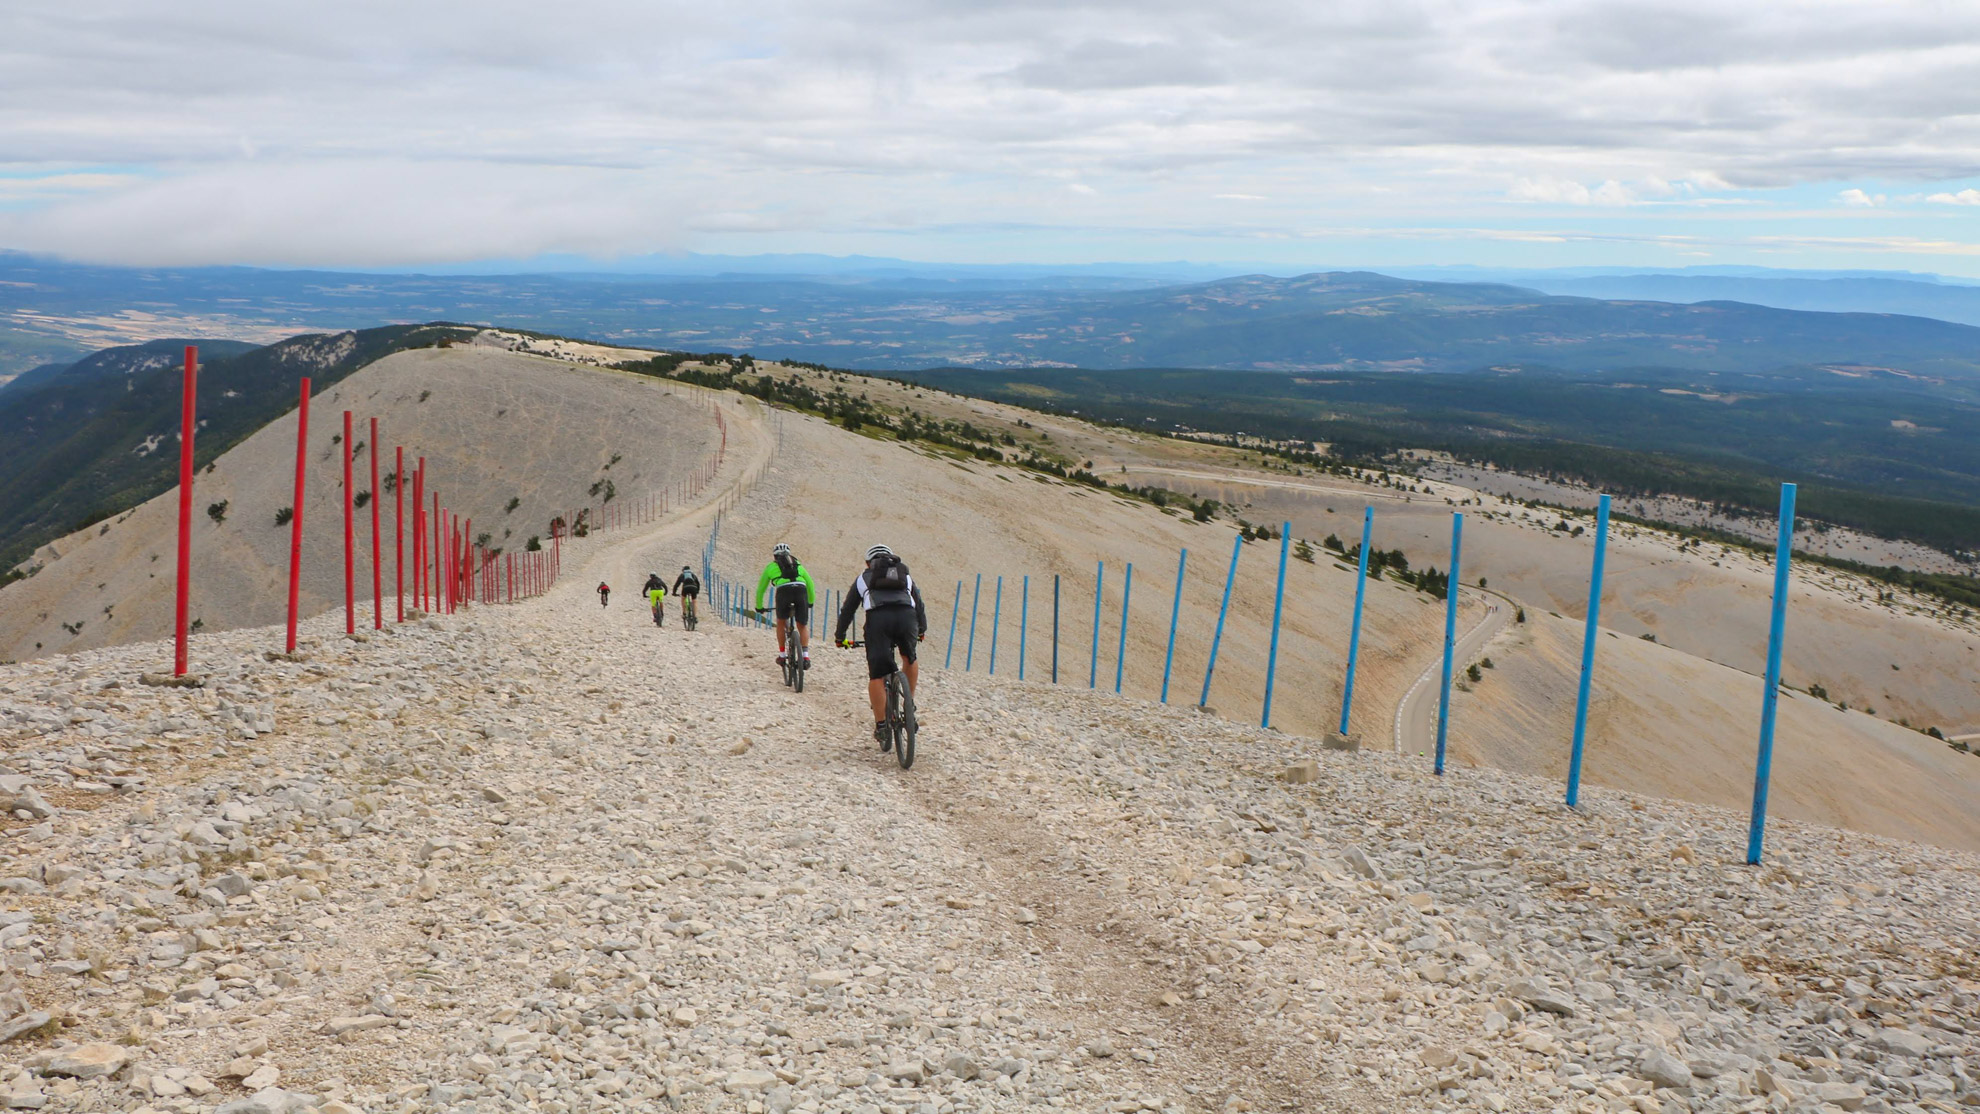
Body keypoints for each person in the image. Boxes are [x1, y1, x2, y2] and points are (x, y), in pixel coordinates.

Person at [833, 544, 927, 748]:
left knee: (877, 674)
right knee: (909, 657)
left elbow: (848, 610)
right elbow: (918, 604)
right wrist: (921, 630)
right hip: (906, 618)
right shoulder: (905, 576)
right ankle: (908, 705)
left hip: (879, 620)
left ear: (868, 563)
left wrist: (840, 636)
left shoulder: (863, 578)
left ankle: (882, 725)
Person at [754, 543, 817, 668]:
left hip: (784, 592)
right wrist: (810, 601)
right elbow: (810, 584)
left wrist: (759, 606)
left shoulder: (770, 567)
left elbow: (761, 589)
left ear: (774, 556)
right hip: (801, 590)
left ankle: (782, 656)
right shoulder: (798, 565)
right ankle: (805, 656)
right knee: (802, 625)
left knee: (781, 622)